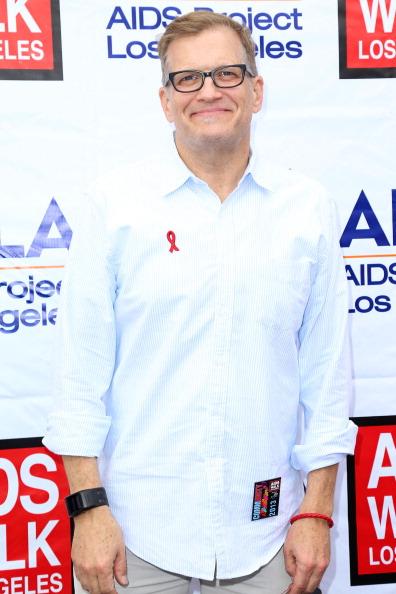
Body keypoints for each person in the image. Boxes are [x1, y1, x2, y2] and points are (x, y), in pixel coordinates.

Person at [44, 11, 357, 594]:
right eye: (187, 79)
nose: (208, 91)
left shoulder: (308, 209)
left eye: (227, 74)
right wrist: (87, 511)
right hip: (136, 537)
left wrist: (317, 511)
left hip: (268, 537)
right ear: (165, 101)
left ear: (257, 90)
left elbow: (326, 379)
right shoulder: (114, 206)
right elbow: (78, 378)